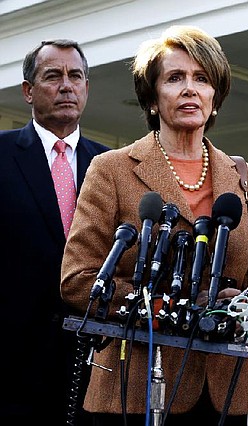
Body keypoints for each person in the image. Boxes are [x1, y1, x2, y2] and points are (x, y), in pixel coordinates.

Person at [60, 25, 248, 425]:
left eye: (202, 79)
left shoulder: (243, 176)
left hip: (222, 392)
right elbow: (79, 279)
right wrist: (172, 308)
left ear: (215, 97)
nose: (189, 89)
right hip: (134, 389)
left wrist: (243, 302)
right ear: (152, 96)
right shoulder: (111, 169)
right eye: (175, 78)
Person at [0, 39, 109, 424]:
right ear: (28, 91)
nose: (67, 85)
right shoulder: (2, 154)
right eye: (53, 76)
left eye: (75, 76)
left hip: (93, 363)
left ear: (86, 88)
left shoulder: (111, 167)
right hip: (11, 367)